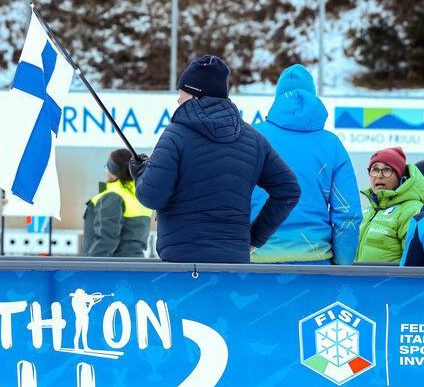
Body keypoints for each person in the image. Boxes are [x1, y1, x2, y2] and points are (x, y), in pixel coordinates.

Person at [129, 55, 301, 264]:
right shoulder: (255, 139)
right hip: (235, 261)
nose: (178, 99)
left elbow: (151, 197)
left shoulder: (175, 135)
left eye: (182, 92)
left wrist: (141, 174)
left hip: (182, 261)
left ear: (195, 95)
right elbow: (289, 190)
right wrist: (255, 239)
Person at [249, 65, 361, 265]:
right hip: (315, 263)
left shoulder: (251, 137)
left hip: (255, 261)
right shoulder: (331, 144)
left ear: (278, 98)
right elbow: (347, 214)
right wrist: (343, 264)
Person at [355, 147, 424, 263]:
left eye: (387, 170)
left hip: (390, 276)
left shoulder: (412, 210)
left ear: (399, 176)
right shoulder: (367, 211)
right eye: (375, 169)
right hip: (355, 275)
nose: (379, 175)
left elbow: (413, 263)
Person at [82, 148, 152, 257]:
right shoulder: (140, 194)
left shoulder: (113, 196)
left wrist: (90, 265)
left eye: (107, 168)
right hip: (136, 261)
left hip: (113, 264)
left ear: (113, 171)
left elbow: (106, 241)